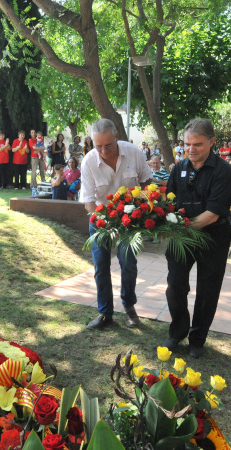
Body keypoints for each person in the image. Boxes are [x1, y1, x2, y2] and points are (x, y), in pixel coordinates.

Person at [163, 118, 231, 358]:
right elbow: (169, 203)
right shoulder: (179, 168)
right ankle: (177, 331)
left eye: (198, 144)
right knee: (175, 284)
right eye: (187, 144)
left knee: (208, 289)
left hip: (213, 236)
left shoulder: (224, 172)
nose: (191, 149)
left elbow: (212, 215)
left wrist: (182, 227)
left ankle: (197, 339)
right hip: (181, 238)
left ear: (212, 142)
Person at [81, 118, 153, 330]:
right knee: (101, 266)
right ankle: (105, 313)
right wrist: (106, 223)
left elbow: (147, 182)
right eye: (98, 146)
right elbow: (89, 203)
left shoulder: (134, 153)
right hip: (100, 219)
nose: (103, 150)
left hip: (129, 220)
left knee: (128, 263)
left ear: (117, 138)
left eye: (108, 145)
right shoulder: (88, 162)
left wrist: (144, 206)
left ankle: (129, 307)